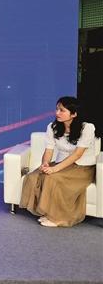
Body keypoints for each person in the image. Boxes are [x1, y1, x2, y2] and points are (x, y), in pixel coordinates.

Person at [20, 96, 97, 227]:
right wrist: (45, 163)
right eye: (57, 109)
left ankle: (58, 218)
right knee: (34, 176)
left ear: (74, 114)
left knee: (53, 178)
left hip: (82, 167)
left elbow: (77, 154)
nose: (57, 113)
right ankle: (47, 211)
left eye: (62, 110)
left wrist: (54, 169)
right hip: (61, 163)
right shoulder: (52, 127)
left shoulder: (87, 128)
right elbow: (49, 150)